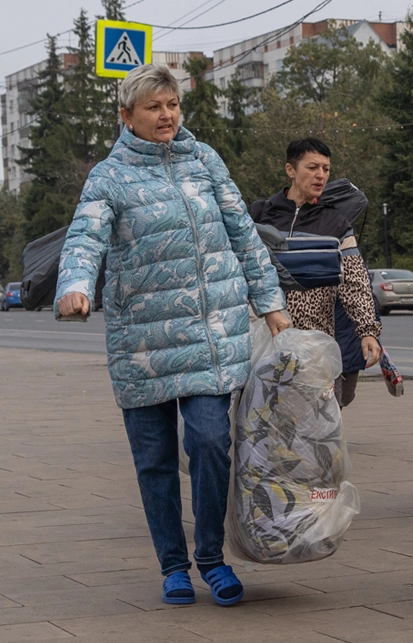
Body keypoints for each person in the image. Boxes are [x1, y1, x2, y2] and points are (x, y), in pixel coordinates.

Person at [54, 64, 288, 606]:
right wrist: (76, 285)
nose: (166, 115)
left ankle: (211, 556)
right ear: (126, 116)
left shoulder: (204, 160)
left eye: (173, 105)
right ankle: (173, 566)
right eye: (154, 107)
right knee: (154, 460)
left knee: (210, 440)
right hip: (141, 341)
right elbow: (85, 235)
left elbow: (244, 236)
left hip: (209, 333)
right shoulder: (108, 176)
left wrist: (270, 303)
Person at [251, 138, 382, 406]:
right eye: (312, 167)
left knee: (315, 425)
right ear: (291, 170)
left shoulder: (335, 224)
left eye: (326, 169)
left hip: (315, 342)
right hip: (263, 339)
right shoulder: (259, 215)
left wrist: (367, 330)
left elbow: (354, 282)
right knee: (261, 422)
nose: (320, 175)